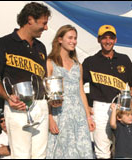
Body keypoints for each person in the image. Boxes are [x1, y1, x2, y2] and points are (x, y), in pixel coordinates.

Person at [0, 2, 51, 158]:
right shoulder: (3, 43)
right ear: (30, 19)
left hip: (40, 105)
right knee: (21, 155)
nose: (46, 28)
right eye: (44, 23)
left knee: (40, 155)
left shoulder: (41, 47)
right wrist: (7, 97)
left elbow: (44, 79)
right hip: (17, 106)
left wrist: (52, 99)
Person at [82, 24, 132, 158]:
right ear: (98, 39)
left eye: (111, 38)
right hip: (99, 107)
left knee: (123, 148)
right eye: (104, 38)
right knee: (102, 150)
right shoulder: (90, 61)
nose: (108, 41)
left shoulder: (124, 59)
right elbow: (80, 85)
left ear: (115, 40)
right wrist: (87, 105)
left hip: (121, 107)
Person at [45, 25, 95, 159]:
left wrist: (88, 117)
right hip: (60, 112)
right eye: (70, 38)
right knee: (61, 150)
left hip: (78, 114)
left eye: (75, 38)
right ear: (60, 39)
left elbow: (81, 92)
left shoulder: (78, 65)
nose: (74, 41)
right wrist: (50, 118)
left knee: (82, 150)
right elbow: (47, 94)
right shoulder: (50, 63)